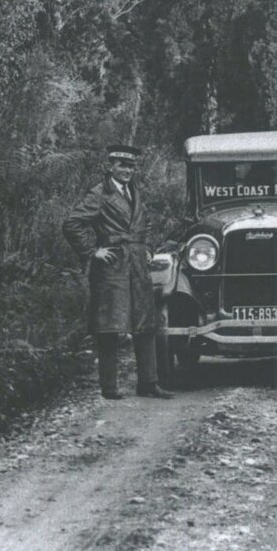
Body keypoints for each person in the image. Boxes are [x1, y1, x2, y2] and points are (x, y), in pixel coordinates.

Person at [61, 142, 172, 400]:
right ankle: (109, 387)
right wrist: (92, 251)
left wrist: (146, 248)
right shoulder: (99, 193)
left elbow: (144, 224)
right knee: (109, 328)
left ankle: (148, 383)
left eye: (131, 166)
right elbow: (72, 224)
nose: (127, 170)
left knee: (145, 324)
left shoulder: (135, 192)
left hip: (137, 265)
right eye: (122, 165)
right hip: (112, 267)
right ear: (110, 166)